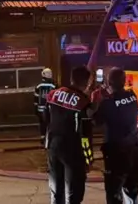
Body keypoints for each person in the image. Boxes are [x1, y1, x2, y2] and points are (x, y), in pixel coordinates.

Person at [90, 67, 138, 204]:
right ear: (124, 81)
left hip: (116, 154)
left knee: (114, 193)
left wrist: (96, 101)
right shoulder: (133, 97)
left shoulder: (107, 104)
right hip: (134, 151)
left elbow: (95, 120)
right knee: (132, 191)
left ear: (108, 82)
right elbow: (120, 104)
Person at [44, 66, 94, 204]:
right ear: (87, 82)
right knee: (74, 192)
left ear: (71, 79)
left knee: (56, 189)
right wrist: (88, 160)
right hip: (73, 150)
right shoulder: (83, 102)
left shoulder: (53, 95)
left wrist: (47, 143)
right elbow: (85, 136)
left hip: (53, 147)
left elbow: (46, 121)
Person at [34, 67, 56, 146]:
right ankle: (49, 139)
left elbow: (36, 97)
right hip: (50, 109)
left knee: (42, 124)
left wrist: (35, 108)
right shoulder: (53, 85)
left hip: (40, 109)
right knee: (50, 124)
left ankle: (43, 138)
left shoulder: (38, 86)